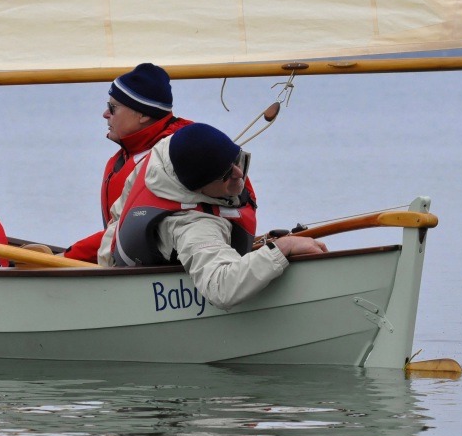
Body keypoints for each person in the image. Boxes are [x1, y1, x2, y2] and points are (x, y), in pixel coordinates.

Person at [99, 123, 327, 310]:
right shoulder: (191, 226)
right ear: (199, 188)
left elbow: (119, 213)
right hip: (136, 288)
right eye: (227, 174)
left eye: (237, 160)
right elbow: (222, 288)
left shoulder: (162, 155)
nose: (239, 174)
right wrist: (283, 247)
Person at [62, 63, 193, 262]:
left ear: (143, 114)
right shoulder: (128, 157)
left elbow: (130, 230)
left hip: (149, 270)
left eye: (112, 108)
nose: (105, 114)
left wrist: (68, 257)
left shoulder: (166, 161)